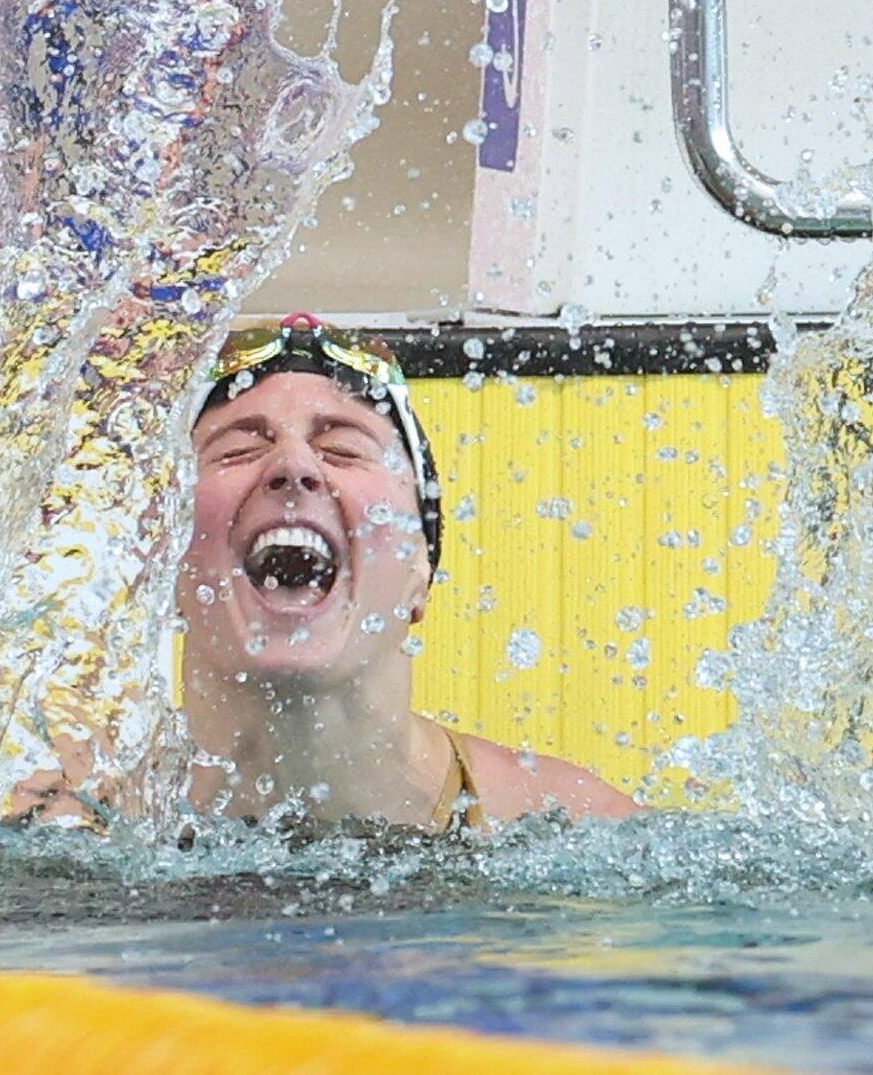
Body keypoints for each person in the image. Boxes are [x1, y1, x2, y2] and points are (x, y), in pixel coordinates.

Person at [178, 313, 637, 830]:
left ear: (421, 567)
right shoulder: (99, 818)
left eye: (344, 450)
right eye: (237, 450)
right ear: (162, 564)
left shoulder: (573, 823)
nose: (293, 466)